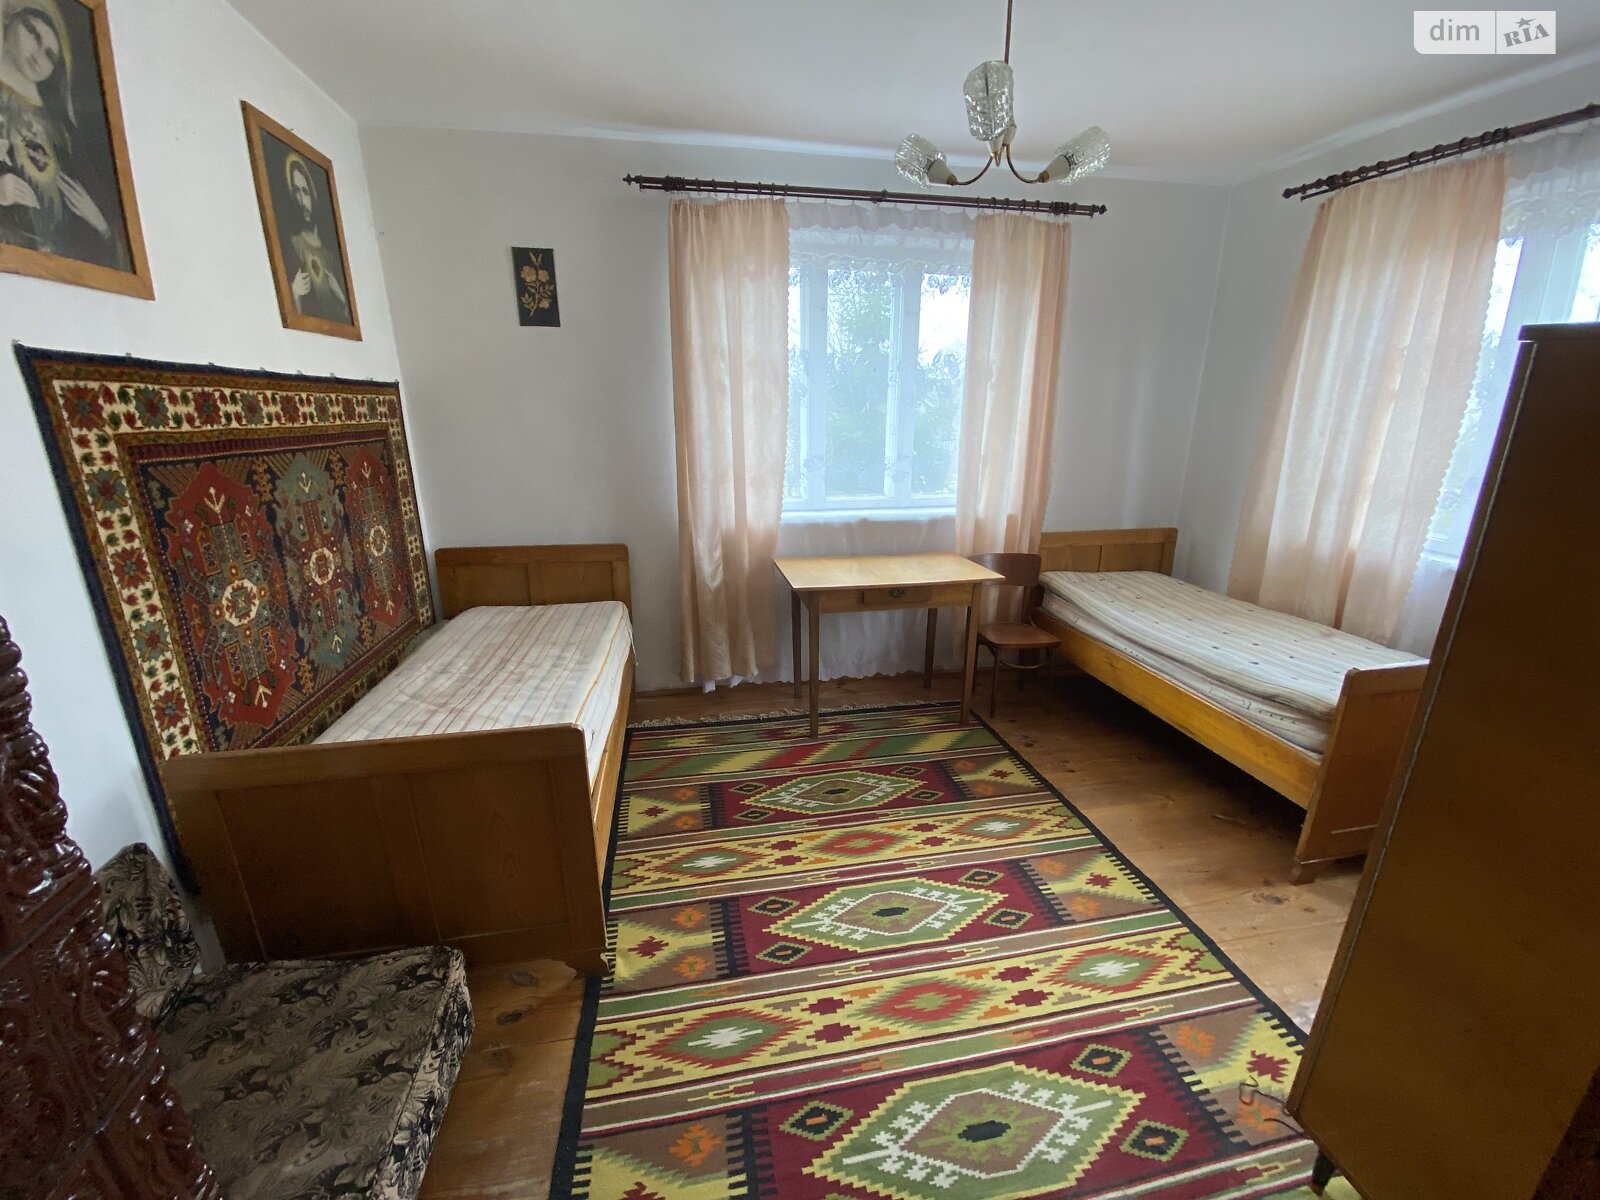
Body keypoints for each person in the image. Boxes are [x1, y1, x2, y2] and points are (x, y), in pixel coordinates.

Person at [0, 0, 120, 264]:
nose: (37, 55)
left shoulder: (60, 132)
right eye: (32, 32)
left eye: (50, 55)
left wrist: (100, 224)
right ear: (9, 18)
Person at [281, 150, 351, 323]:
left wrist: (341, 298)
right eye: (296, 191)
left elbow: (344, 315)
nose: (301, 200)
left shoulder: (330, 254)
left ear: (312, 196)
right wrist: (294, 293)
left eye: (305, 191)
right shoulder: (293, 245)